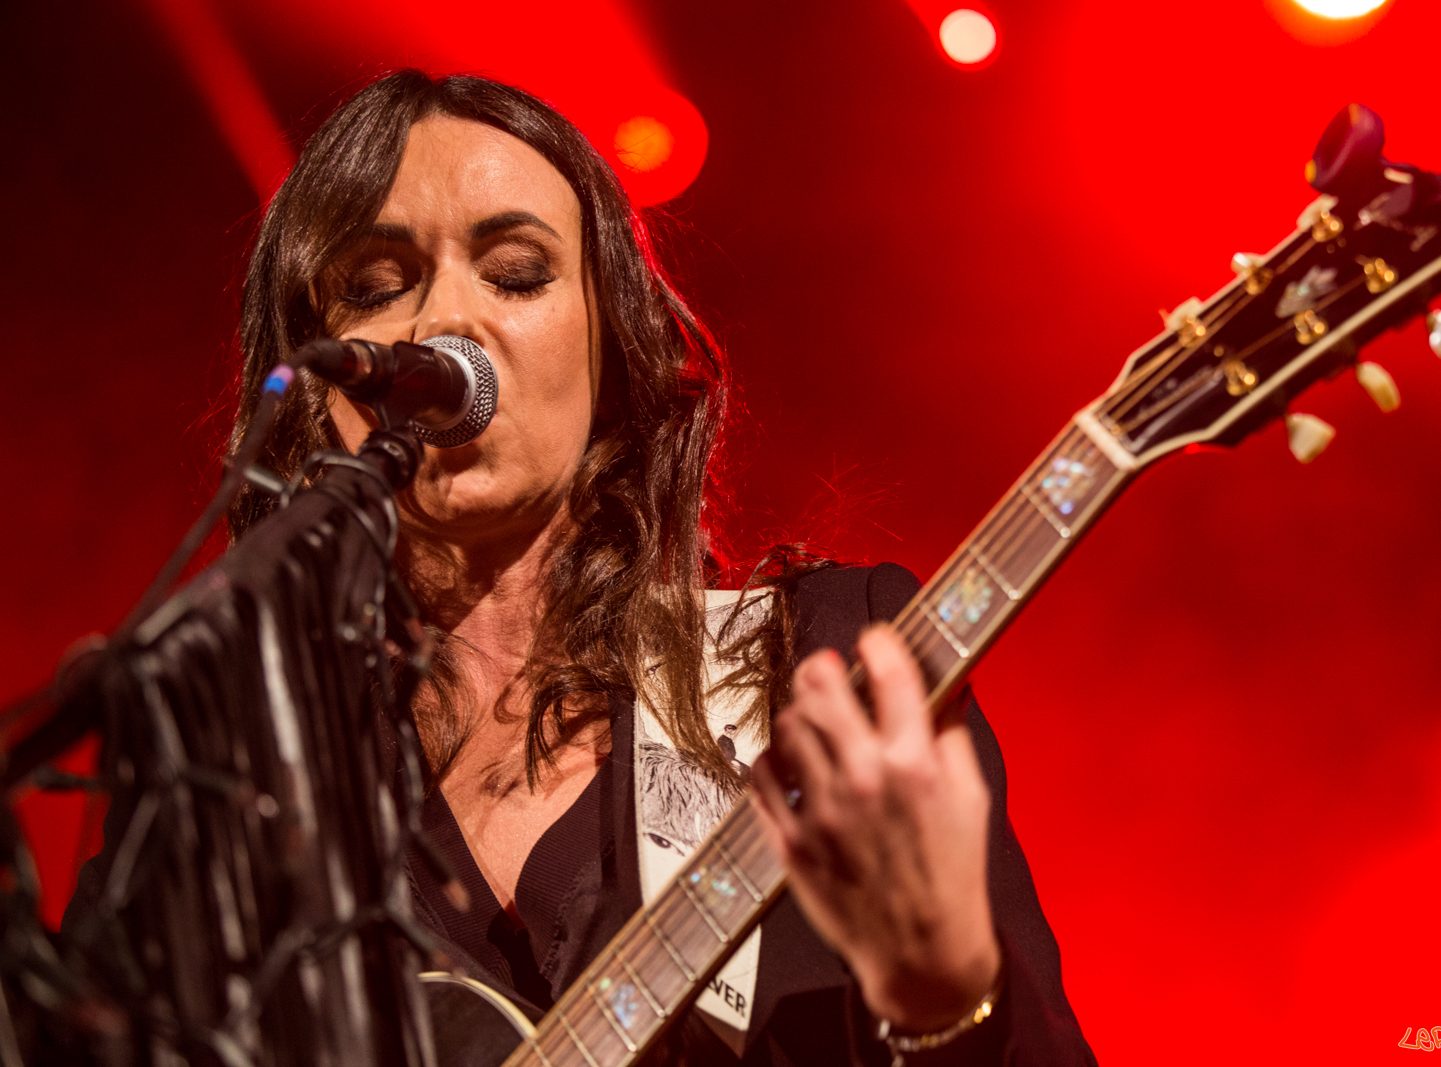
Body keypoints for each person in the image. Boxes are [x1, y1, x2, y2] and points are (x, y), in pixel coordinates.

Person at [164, 71, 1098, 1064]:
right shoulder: (228, 792)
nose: (443, 323)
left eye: (516, 273)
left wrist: (944, 997)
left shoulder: (818, 669)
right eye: (374, 288)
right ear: (315, 379)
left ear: (611, 339)